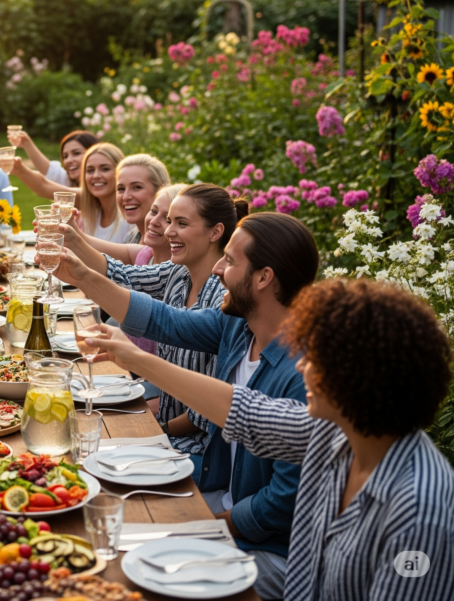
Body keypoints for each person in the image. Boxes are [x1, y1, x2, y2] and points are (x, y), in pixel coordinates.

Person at [85, 278, 454, 601]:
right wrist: (135, 357)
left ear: (359, 379)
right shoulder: (339, 431)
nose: (301, 365)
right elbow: (244, 411)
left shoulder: (419, 513)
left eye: (317, 358)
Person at [51, 212, 319, 600]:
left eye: (229, 260)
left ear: (264, 278)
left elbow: (281, 502)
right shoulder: (239, 326)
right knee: (99, 508)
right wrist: (82, 277)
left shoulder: (302, 374)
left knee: (128, 564)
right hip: (222, 490)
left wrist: (210, 523)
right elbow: (166, 321)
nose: (217, 270)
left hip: (274, 550)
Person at [64, 185, 245, 465]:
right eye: (169, 221)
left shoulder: (222, 298)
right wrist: (73, 244)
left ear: (215, 232)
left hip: (196, 451)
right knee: (79, 437)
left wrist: (154, 431)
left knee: (91, 454)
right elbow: (120, 275)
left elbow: (205, 415)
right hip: (165, 426)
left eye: (181, 223)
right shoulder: (177, 271)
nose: (169, 231)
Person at [7, 129, 97, 188]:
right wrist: (27, 143)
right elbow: (50, 171)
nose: (69, 160)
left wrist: (21, 171)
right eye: (65, 156)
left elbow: (44, 187)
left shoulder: (99, 189)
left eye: (76, 153)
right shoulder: (68, 181)